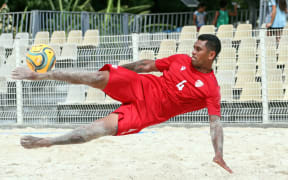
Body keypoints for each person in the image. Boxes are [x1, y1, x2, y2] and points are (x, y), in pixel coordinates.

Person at [11, 34, 233, 173]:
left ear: (211, 54)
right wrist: (117, 72)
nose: (192, 52)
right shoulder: (180, 60)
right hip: (141, 85)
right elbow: (145, 65)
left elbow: (215, 124)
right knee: (97, 78)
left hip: (146, 112)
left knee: (94, 131)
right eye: (193, 47)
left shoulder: (211, 88)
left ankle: (47, 142)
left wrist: (219, 153)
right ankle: (39, 75)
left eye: (198, 49)